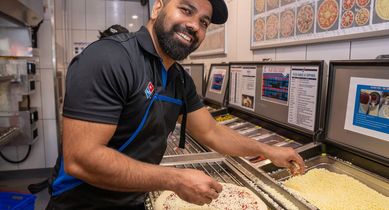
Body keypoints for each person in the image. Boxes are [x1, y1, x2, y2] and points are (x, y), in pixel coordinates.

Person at [46, 0, 305, 209]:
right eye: (186, 9)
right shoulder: (109, 58)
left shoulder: (178, 79)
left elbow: (212, 132)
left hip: (131, 196)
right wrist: (175, 179)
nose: (194, 25)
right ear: (158, 7)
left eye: (204, 22)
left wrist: (268, 150)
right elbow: (81, 159)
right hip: (81, 202)